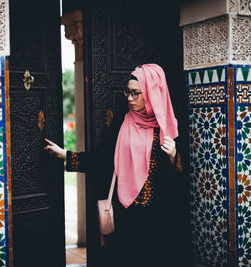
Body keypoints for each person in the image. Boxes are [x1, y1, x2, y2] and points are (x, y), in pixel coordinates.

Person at [44, 64, 190, 266]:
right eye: (127, 92)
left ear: (151, 93)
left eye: (136, 93)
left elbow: (181, 178)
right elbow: (102, 159)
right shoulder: (123, 123)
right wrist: (67, 155)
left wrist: (174, 156)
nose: (130, 98)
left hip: (158, 217)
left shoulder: (168, 127)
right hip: (126, 215)